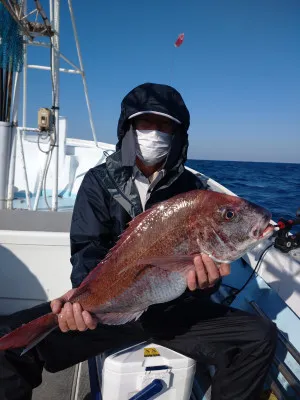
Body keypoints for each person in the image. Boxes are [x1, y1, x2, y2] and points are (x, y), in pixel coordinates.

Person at [0, 83, 277, 400]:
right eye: (146, 123)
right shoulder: (98, 182)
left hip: (174, 313)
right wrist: (82, 305)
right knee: (6, 342)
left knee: (260, 336)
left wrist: (205, 285)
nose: (155, 133)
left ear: (178, 134)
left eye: (165, 125)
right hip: (109, 312)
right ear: (128, 128)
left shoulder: (192, 188)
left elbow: (203, 274)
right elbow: (87, 251)